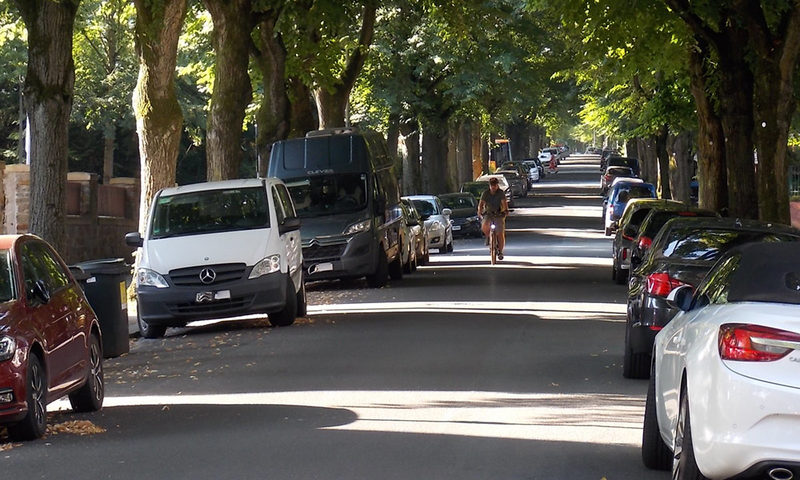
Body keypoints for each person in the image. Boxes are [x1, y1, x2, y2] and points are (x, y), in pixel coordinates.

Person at [478, 177, 509, 260]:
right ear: (489, 186)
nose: (493, 187)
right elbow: (481, 204)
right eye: (492, 185)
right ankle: (489, 236)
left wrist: (505, 211)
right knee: (484, 226)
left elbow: (504, 203)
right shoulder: (486, 193)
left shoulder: (500, 193)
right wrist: (480, 212)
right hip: (488, 213)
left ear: (497, 185)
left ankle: (501, 251)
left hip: (499, 214)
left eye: (495, 185)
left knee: (500, 233)